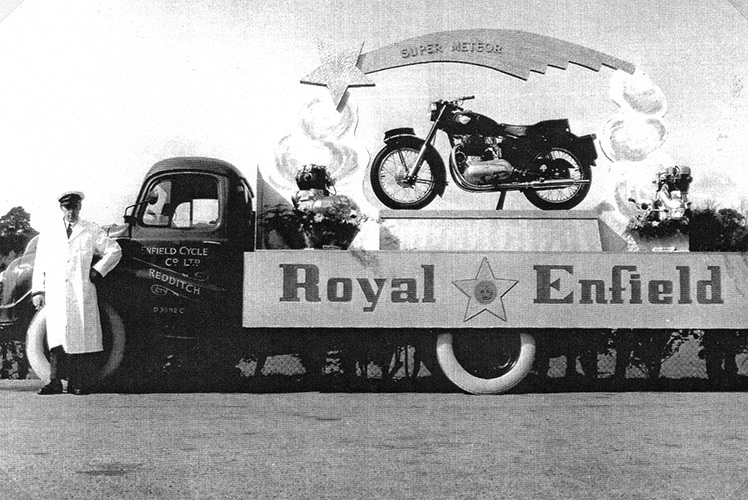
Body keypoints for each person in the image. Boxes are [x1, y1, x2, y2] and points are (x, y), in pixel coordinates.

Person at [31, 191, 122, 395]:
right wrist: (38, 290)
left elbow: (114, 250)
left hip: (80, 290)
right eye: (67, 207)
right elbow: (40, 263)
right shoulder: (50, 232)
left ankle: (76, 382)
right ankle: (54, 382)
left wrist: (98, 270)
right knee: (56, 338)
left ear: (79, 207)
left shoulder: (90, 230)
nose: (71, 212)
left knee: (79, 338)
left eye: (74, 207)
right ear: (61, 208)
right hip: (56, 291)